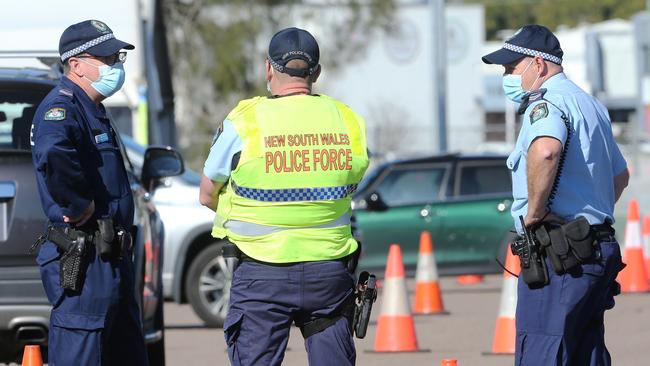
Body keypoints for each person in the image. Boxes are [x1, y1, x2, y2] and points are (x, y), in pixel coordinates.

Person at [199, 27, 369, 366]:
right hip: (329, 274)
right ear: (316, 73)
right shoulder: (347, 119)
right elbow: (352, 183)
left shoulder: (245, 121)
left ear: (268, 68)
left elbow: (207, 194)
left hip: (262, 275)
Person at [482, 25, 629, 365]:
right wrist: (587, 212)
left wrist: (535, 213)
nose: (507, 77)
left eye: (511, 68)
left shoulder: (546, 104)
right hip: (595, 248)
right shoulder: (591, 105)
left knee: (544, 350)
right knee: (586, 351)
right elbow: (620, 176)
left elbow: (546, 151)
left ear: (538, 65)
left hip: (560, 254)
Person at [31, 20, 148, 365]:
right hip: (86, 258)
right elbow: (54, 154)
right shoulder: (62, 108)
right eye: (107, 58)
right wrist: (79, 204)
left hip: (114, 258)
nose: (115, 65)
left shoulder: (92, 108)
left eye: (117, 57)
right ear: (77, 64)